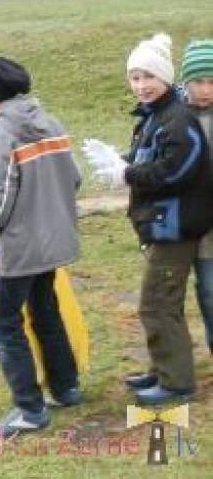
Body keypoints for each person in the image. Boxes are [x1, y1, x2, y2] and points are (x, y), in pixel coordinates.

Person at [84, 34, 213, 406]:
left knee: (158, 303)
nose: (142, 85)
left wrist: (126, 174)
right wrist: (122, 160)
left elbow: (177, 172)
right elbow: (151, 157)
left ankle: (176, 382)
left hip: (176, 227)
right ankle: (162, 369)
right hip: (161, 223)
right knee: (158, 302)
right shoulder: (157, 115)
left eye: (149, 77)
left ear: (167, 78)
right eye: (135, 77)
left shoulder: (178, 119)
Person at [0, 57, 81, 438]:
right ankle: (65, 389)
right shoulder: (52, 123)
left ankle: (29, 410)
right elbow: (74, 178)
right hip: (53, 241)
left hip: (19, 248)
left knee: (4, 322)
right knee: (46, 310)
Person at [181, 40, 213, 354]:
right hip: (179, 219)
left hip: (210, 226)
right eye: (198, 81)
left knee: (210, 290)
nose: (205, 89)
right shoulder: (174, 114)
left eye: (212, 82)